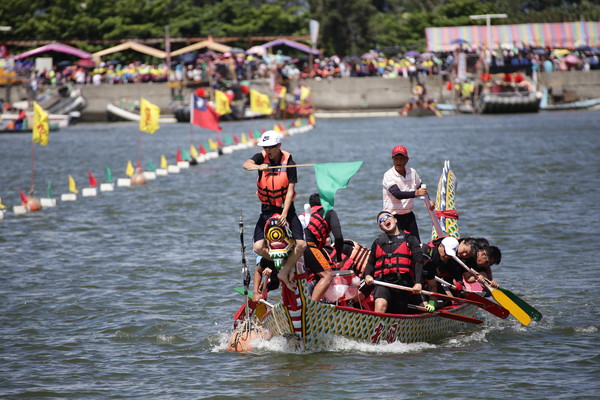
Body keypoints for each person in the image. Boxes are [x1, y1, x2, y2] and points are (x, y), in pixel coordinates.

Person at [242, 130, 306, 291]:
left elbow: (290, 190)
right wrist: (258, 166)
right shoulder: (260, 157)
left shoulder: (290, 164)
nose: (268, 150)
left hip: (286, 209)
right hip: (267, 210)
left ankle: (284, 272)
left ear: (279, 146)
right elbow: (246, 165)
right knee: (257, 247)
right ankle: (284, 262)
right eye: (265, 147)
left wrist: (284, 213)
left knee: (302, 244)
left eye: (271, 147)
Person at [363, 211, 427, 314]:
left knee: (398, 312)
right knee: (380, 304)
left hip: (403, 285)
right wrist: (367, 276)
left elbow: (418, 262)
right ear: (381, 227)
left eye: (387, 217)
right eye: (381, 221)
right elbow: (370, 263)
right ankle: (377, 329)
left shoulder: (410, 239)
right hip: (383, 282)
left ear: (395, 220)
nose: (385, 220)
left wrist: (418, 283)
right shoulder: (378, 242)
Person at [382, 145, 428, 242]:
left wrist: (428, 200)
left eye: (401, 158)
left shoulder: (412, 172)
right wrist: (416, 193)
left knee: (416, 245)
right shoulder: (388, 175)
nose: (398, 161)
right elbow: (397, 194)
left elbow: (421, 186)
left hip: (409, 216)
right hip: (393, 217)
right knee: (397, 248)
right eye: (396, 158)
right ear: (392, 159)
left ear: (407, 160)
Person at [303, 193, 344, 301]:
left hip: (295, 248)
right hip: (309, 246)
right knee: (328, 275)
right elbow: (339, 238)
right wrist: (339, 258)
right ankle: (311, 308)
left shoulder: (305, 215)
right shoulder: (329, 212)